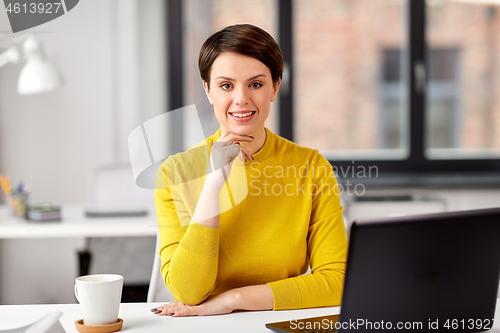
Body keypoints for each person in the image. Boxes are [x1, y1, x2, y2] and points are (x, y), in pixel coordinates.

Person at [151, 24, 348, 317]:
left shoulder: (311, 167)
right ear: (208, 90)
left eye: (255, 84)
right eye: (226, 85)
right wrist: (214, 184)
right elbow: (188, 292)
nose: (241, 98)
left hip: (282, 320)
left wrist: (233, 299)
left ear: (275, 87)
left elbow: (337, 282)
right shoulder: (174, 173)